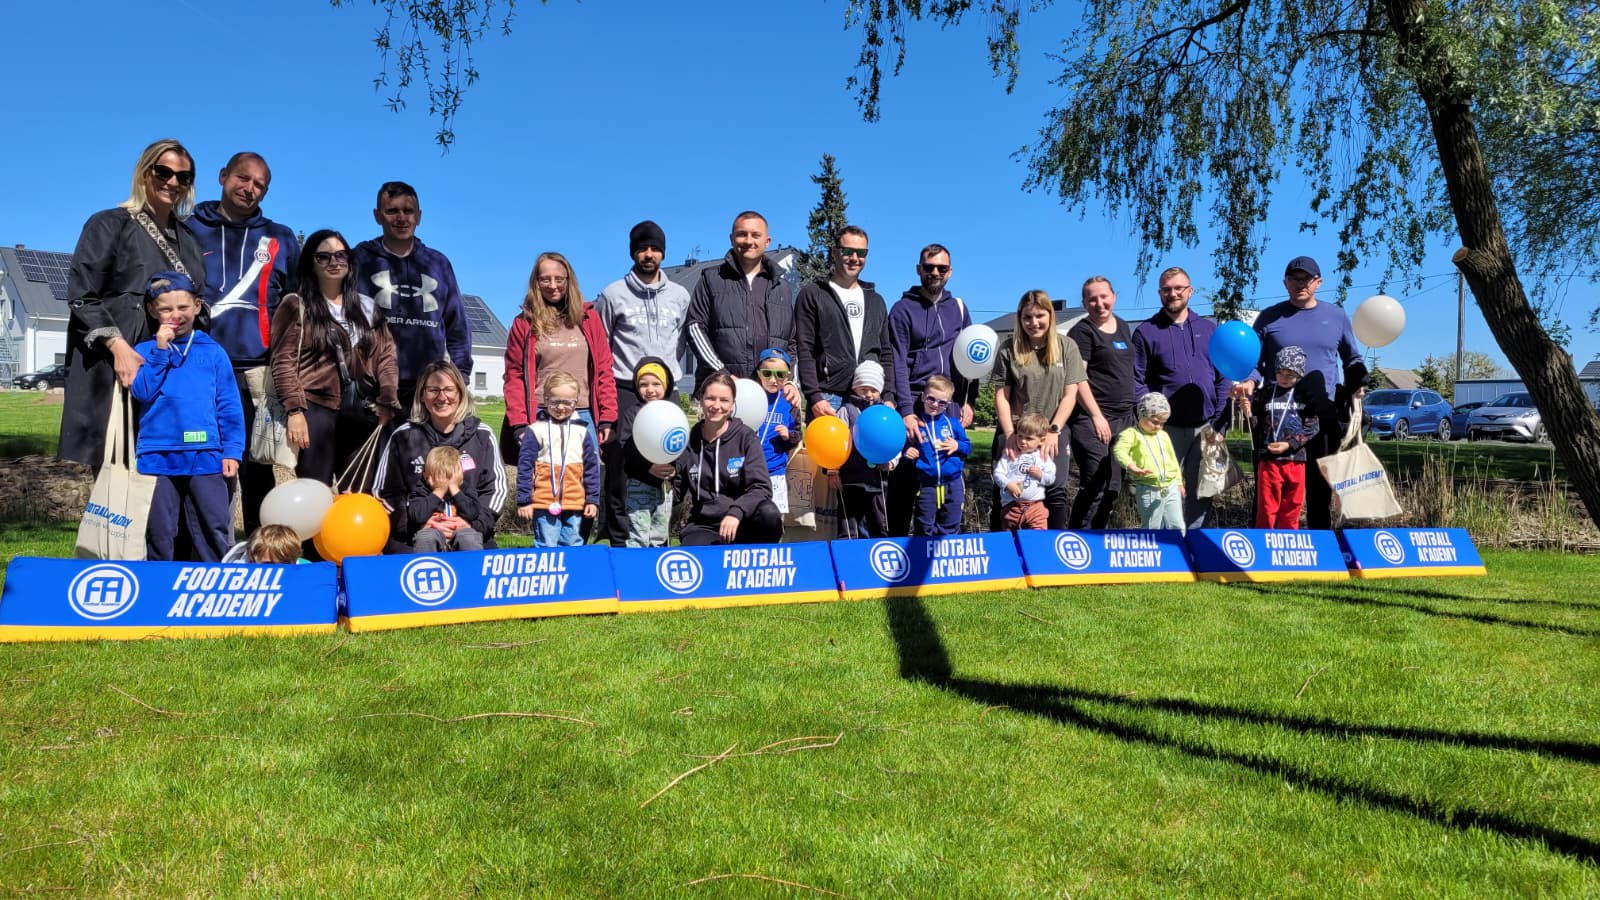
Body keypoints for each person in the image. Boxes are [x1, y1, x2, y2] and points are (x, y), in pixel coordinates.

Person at [62, 138, 208, 472]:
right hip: (121, 365)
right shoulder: (109, 224)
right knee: (120, 472)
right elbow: (83, 294)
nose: (172, 182)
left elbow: (196, 301)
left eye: (183, 177)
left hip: (174, 372)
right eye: (163, 172)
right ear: (145, 173)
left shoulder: (189, 240)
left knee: (171, 467)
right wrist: (118, 346)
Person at [187, 152, 300, 533]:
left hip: (257, 371)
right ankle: (200, 550)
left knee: (257, 468)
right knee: (203, 461)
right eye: (242, 178)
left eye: (259, 185)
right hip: (201, 367)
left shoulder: (281, 238)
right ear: (222, 176)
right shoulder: (188, 229)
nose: (249, 188)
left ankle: (259, 548)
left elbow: (295, 305)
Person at [1240, 256, 1368, 529]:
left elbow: (1352, 359)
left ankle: (1320, 547)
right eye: (1294, 279)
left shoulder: (1336, 316)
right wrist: (1249, 381)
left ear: (1318, 282)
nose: (1300, 284)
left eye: (1306, 279)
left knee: (1319, 492)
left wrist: (1358, 380)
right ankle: (1265, 547)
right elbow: (1253, 362)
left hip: (1322, 416)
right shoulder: (1269, 317)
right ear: (1285, 283)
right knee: (1270, 495)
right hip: (1278, 419)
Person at [271, 229, 400, 487]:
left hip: (361, 410)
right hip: (315, 409)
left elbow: (386, 356)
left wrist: (387, 399)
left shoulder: (367, 306)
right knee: (314, 490)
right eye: (324, 256)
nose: (334, 262)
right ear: (311, 262)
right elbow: (283, 361)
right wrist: (295, 410)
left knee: (358, 490)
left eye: (341, 255)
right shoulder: (296, 304)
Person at [130, 273, 245, 561]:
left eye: (183, 307)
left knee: (212, 527)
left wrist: (232, 450)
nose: (175, 315)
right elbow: (142, 391)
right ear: (152, 311)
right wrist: (160, 351)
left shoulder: (214, 352)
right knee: (159, 531)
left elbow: (229, 405)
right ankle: (160, 583)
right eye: (166, 309)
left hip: (205, 453)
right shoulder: (144, 350)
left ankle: (218, 581)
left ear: (197, 306)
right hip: (157, 454)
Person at [594, 221, 692, 545]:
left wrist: (664, 373)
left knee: (667, 457)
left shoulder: (679, 295)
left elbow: (681, 341)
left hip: (665, 388)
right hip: (625, 386)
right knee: (622, 463)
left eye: (654, 248)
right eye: (642, 249)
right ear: (633, 252)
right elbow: (601, 345)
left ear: (663, 252)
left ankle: (659, 535)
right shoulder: (612, 294)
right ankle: (620, 538)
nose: (649, 254)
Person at [352, 181, 471, 412]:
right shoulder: (360, 259)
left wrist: (461, 377)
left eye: (408, 211)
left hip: (427, 390)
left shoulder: (438, 264)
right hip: (373, 389)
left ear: (419, 216)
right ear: (377, 216)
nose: (401, 218)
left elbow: (457, 327)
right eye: (392, 211)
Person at [1131, 266, 1233, 529]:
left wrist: (1220, 424)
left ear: (1190, 291)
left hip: (1206, 426)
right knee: (1161, 491)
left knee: (1202, 493)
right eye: (1166, 289)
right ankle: (1164, 544)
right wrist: (1148, 420)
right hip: (1164, 430)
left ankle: (1195, 544)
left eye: (1179, 288)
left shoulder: (1209, 330)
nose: (1173, 293)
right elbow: (1137, 379)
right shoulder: (1146, 332)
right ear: (1159, 293)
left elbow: (1223, 378)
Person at [886, 243, 976, 535]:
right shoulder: (902, 310)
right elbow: (897, 362)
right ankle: (898, 547)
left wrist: (969, 401)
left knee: (948, 485)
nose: (935, 272)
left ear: (950, 272)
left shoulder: (959, 309)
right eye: (929, 267)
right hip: (916, 403)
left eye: (941, 268)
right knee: (906, 482)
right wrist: (906, 411)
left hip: (948, 405)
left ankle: (946, 546)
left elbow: (972, 357)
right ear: (919, 269)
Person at [374, 360, 506, 551]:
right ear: (422, 395)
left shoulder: (482, 436)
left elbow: (495, 491)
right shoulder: (403, 436)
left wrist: (473, 525)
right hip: (416, 536)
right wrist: (418, 525)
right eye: (433, 390)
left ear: (460, 393)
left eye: (449, 389)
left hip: (472, 535)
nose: (442, 397)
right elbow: (384, 494)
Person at [501, 252, 617, 461]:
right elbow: (514, 376)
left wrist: (607, 417)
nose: (553, 285)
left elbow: (604, 370)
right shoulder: (524, 323)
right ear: (536, 283)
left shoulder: (589, 318)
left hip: (582, 413)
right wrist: (519, 424)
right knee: (543, 480)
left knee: (586, 478)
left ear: (568, 280)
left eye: (559, 279)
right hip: (541, 415)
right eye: (545, 279)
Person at [685, 211, 800, 404]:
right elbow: (694, 327)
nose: (748, 241)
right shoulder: (711, 279)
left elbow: (791, 341)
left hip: (770, 396)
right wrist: (722, 374)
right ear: (731, 239)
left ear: (767, 241)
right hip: (721, 394)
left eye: (756, 235)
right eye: (742, 234)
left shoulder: (782, 288)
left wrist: (788, 379)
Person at [992, 290, 1085, 529]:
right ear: (1020, 318)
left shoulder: (1067, 346)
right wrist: (1010, 434)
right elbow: (1002, 396)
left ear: (1050, 315)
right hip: (1016, 431)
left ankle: (1052, 546)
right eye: (1027, 317)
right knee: (1005, 491)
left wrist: (1054, 431)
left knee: (1055, 491)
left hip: (1053, 429)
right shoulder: (1008, 349)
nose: (1034, 323)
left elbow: (1071, 394)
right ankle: (1004, 545)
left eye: (1039, 316)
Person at [673, 370, 783, 546]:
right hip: (705, 525)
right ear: (700, 399)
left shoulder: (746, 438)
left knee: (769, 514)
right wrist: (661, 474)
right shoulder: (689, 440)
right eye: (711, 398)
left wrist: (736, 511)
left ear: (732, 405)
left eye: (724, 400)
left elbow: (761, 487)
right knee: (693, 552)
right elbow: (676, 490)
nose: (716, 406)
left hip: (742, 520)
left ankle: (761, 559)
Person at [794, 225, 892, 419]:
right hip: (828, 398)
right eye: (848, 251)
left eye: (861, 253)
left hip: (870, 400)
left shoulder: (876, 301)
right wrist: (814, 396)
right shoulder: (813, 294)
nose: (854, 258)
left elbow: (886, 353)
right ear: (834, 252)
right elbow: (804, 349)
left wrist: (889, 396)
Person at [1067, 276, 1137, 529]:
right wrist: (1097, 416)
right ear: (1084, 303)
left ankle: (1098, 539)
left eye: (1104, 296)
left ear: (1114, 296)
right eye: (1092, 299)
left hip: (1124, 419)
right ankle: (1078, 539)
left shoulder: (1124, 326)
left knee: (1113, 487)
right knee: (1096, 484)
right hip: (1092, 420)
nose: (1099, 303)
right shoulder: (1082, 332)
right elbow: (1077, 379)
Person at [1244, 346, 1327, 529]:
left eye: (1289, 374)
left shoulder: (1304, 394)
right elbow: (1255, 426)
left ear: (1299, 374)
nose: (1283, 377)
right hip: (1269, 460)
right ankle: (1263, 542)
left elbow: (1313, 427)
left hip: (1296, 460)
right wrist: (1248, 413)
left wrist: (1290, 444)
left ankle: (1289, 542)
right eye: (1279, 372)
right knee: (1266, 509)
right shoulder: (1265, 392)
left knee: (1292, 509)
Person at [516, 372, 601, 547]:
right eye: (555, 401)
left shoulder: (582, 431)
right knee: (547, 543)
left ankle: (572, 566)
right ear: (545, 400)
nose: (561, 407)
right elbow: (525, 467)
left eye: (567, 402)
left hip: (575, 501)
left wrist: (592, 499)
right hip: (544, 501)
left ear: (576, 402)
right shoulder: (535, 430)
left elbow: (592, 469)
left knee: (573, 543)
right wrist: (524, 500)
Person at [832, 360, 894, 540]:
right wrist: (833, 470)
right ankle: (846, 552)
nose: (868, 394)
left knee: (878, 524)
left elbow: (894, 439)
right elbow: (836, 443)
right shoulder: (846, 410)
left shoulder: (885, 413)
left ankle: (877, 551)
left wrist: (891, 461)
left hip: (877, 480)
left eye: (873, 390)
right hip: (850, 479)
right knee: (848, 525)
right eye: (863, 389)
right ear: (855, 389)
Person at [620, 357, 678, 548]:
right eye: (643, 384)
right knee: (638, 534)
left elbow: (681, 444)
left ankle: (656, 564)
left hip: (664, 485)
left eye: (656, 384)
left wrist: (675, 468)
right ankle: (636, 565)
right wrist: (648, 467)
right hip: (639, 483)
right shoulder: (633, 413)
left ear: (666, 385)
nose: (650, 389)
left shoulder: (672, 412)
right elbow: (626, 447)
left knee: (659, 536)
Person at [905, 375, 971, 537]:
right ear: (923, 397)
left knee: (951, 524)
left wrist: (957, 445)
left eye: (942, 402)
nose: (935, 405)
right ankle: (923, 552)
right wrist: (908, 452)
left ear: (948, 404)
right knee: (924, 525)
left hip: (952, 483)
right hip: (927, 485)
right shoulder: (916, 424)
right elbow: (906, 447)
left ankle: (946, 551)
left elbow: (967, 447)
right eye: (931, 399)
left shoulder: (953, 424)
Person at [1113, 393, 1186, 534]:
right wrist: (1131, 466)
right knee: (1152, 525)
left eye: (1162, 423)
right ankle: (1152, 546)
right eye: (1154, 422)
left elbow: (1173, 460)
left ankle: (1177, 546)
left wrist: (1178, 482)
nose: (1158, 426)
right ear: (1142, 415)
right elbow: (1119, 451)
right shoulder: (1131, 434)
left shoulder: (1163, 435)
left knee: (1177, 524)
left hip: (1170, 487)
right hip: (1149, 488)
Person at [409, 446, 486, 553]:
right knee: (426, 537)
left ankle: (471, 563)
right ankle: (427, 563)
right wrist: (438, 491)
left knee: (469, 537)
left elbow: (472, 513)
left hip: (460, 533)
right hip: (434, 533)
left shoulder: (466, 489)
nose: (445, 484)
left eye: (450, 478)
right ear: (426, 476)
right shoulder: (422, 491)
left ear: (460, 475)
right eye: (439, 479)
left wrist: (455, 489)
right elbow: (417, 516)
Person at [992, 413, 1056, 532]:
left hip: (1035, 507)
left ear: (1041, 440)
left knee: (1039, 537)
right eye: (1020, 436)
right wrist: (1007, 484)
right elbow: (997, 474)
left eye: (1029, 438)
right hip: (1011, 507)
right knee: (1010, 539)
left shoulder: (1043, 457)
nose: (1022, 441)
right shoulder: (1010, 454)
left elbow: (1051, 478)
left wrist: (1041, 475)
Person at [754, 349, 801, 514]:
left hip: (775, 471)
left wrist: (788, 436)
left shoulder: (790, 402)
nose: (773, 380)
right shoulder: (750, 396)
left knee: (774, 517)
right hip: (749, 469)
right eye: (767, 373)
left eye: (780, 375)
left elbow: (797, 434)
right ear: (759, 374)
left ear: (787, 377)